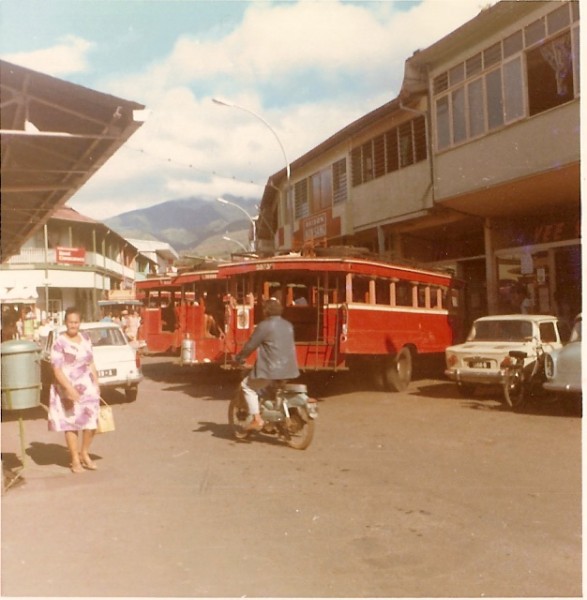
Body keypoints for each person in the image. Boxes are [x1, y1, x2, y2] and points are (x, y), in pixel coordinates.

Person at [47, 307, 101, 473]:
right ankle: (75, 459)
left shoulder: (85, 338)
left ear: (80, 323)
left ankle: (84, 452)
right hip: (67, 387)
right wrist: (69, 389)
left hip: (88, 386)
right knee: (71, 424)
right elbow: (56, 370)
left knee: (91, 423)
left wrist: (97, 382)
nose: (73, 325)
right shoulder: (59, 342)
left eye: (76, 322)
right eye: (70, 322)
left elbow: (90, 362)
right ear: (66, 322)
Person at [233, 298, 300, 430]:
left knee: (247, 386)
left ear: (266, 311)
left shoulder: (264, 326)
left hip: (271, 369)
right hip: (290, 368)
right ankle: (273, 423)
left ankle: (257, 420)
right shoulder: (288, 324)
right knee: (272, 391)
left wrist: (239, 357)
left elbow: (251, 345)